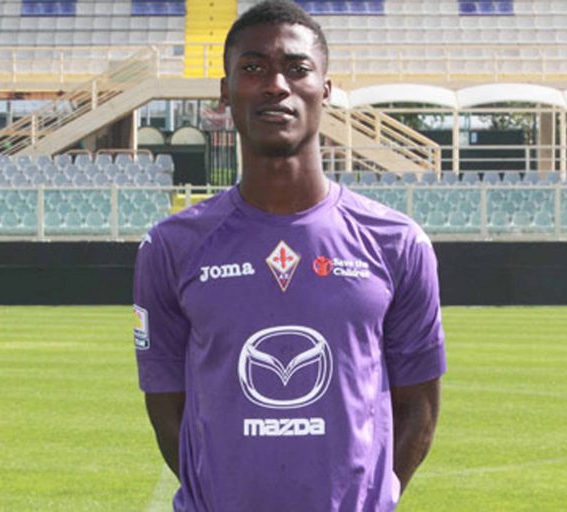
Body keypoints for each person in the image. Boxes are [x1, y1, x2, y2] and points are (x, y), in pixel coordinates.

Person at [133, 1, 446, 510]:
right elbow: (167, 406)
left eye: (297, 69)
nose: (276, 85)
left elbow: (420, 409)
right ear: (226, 91)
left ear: (325, 89)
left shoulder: (397, 243)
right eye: (253, 68)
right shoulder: (171, 246)